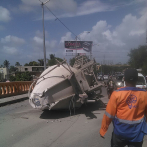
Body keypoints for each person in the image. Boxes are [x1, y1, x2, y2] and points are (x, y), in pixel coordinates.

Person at [100, 68, 147, 147]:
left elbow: (109, 114)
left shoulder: (116, 94)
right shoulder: (145, 95)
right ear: (137, 79)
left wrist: (103, 129)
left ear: (124, 79)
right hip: (137, 134)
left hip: (119, 133)